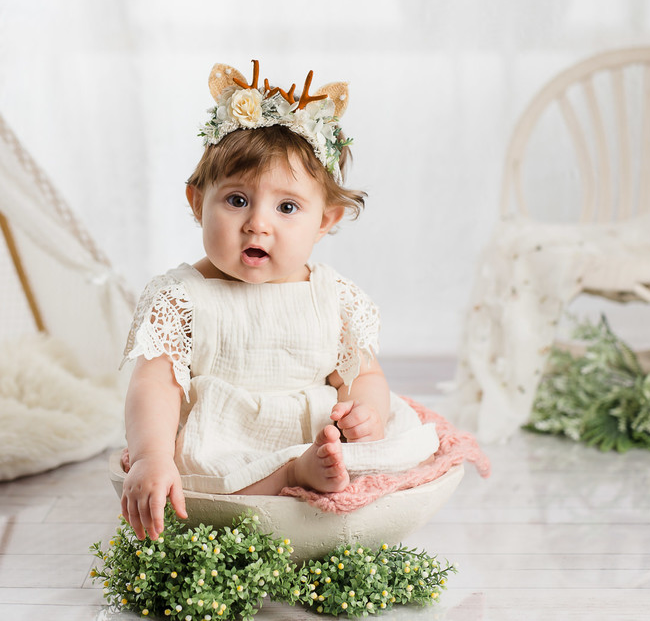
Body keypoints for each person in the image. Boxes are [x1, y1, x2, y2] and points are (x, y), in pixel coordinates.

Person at [120, 61, 440, 540]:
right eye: (236, 200)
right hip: (224, 437)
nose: (258, 224)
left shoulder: (332, 297)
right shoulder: (182, 298)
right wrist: (150, 455)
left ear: (325, 220)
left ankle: (313, 465)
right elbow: (155, 386)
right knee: (194, 468)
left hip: (313, 430)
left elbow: (361, 373)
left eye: (287, 207)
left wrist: (361, 412)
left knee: (396, 439)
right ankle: (291, 477)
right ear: (196, 202)